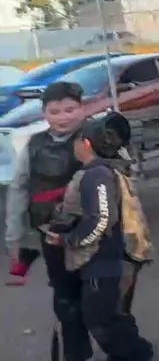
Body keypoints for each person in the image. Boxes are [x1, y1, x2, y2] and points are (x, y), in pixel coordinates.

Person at [47, 111, 159, 361]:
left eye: (76, 140)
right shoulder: (105, 171)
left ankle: (143, 355)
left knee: (101, 321)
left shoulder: (97, 175)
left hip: (107, 262)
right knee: (114, 317)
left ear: (86, 144)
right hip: (111, 261)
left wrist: (67, 240)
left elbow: (100, 221)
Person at [4, 81, 97, 360]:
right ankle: (76, 354)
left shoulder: (98, 136)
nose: (62, 117)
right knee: (66, 300)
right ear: (44, 113)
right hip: (52, 236)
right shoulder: (34, 144)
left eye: (70, 110)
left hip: (96, 235)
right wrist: (14, 236)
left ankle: (129, 350)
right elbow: (19, 189)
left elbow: (121, 182)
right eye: (54, 111)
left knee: (102, 301)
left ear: (82, 109)